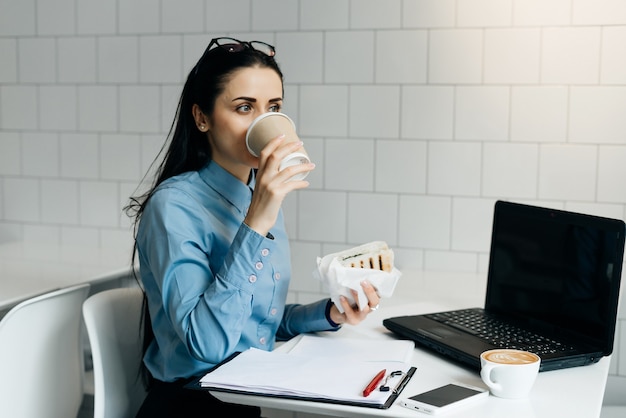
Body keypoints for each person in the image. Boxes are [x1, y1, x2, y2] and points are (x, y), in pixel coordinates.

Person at [125, 37, 382, 417]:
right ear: (202, 117)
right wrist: (258, 218)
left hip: (247, 399)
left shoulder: (257, 195)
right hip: (189, 405)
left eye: (273, 107)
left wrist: (330, 313)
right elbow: (208, 344)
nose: (264, 122)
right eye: (245, 107)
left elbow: (259, 322)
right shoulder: (174, 207)